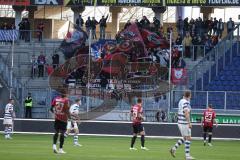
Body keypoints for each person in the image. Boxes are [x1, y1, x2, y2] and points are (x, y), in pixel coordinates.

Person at [170, 90, 195, 160]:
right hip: (184, 123)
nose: (191, 95)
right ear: (189, 95)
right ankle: (187, 156)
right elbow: (186, 113)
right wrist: (189, 122)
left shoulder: (181, 100)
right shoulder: (186, 102)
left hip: (181, 122)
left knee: (185, 138)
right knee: (188, 138)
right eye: (190, 94)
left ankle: (173, 149)